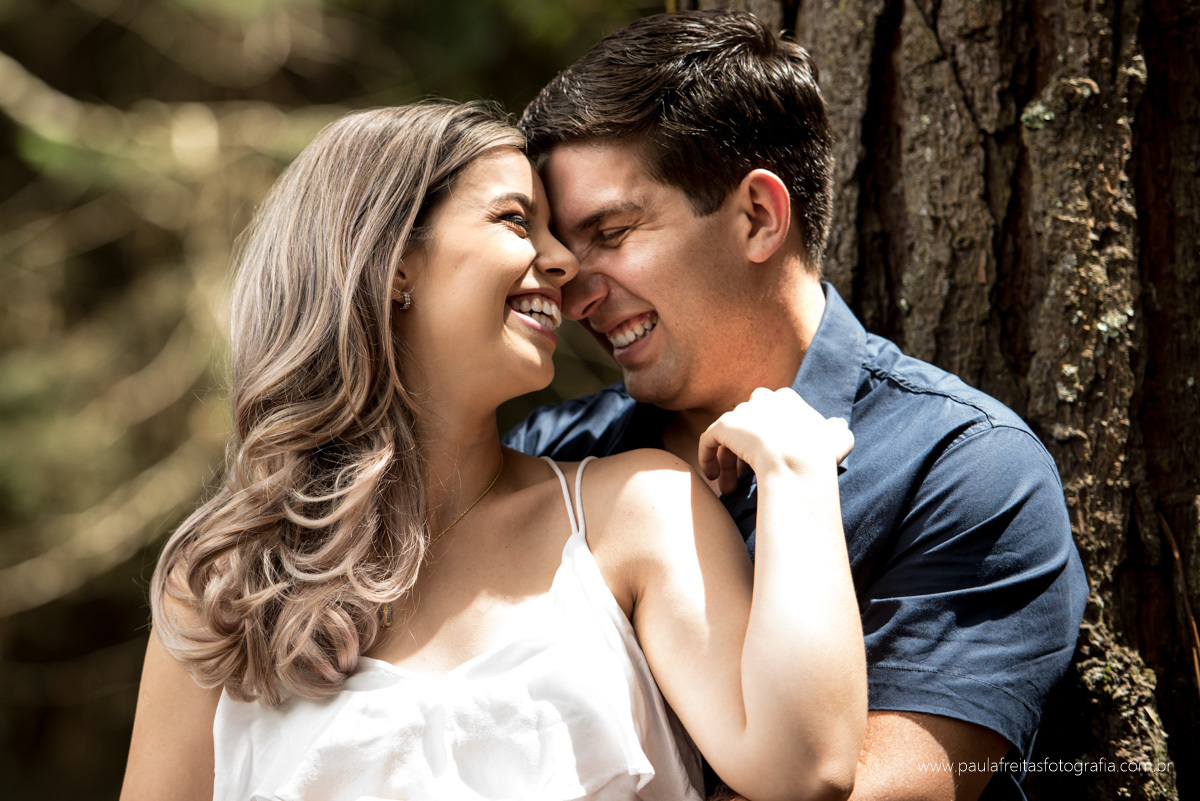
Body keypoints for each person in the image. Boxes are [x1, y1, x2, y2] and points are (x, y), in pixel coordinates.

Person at [120, 102, 868, 801]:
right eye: (517, 220)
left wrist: (797, 470)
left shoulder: (639, 511)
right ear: (392, 264)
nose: (564, 262)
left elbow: (806, 767)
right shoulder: (223, 587)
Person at [504, 10, 1089, 801]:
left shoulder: (967, 473)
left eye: (611, 232)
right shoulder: (554, 452)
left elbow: (859, 792)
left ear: (758, 216)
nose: (575, 293)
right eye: (567, 253)